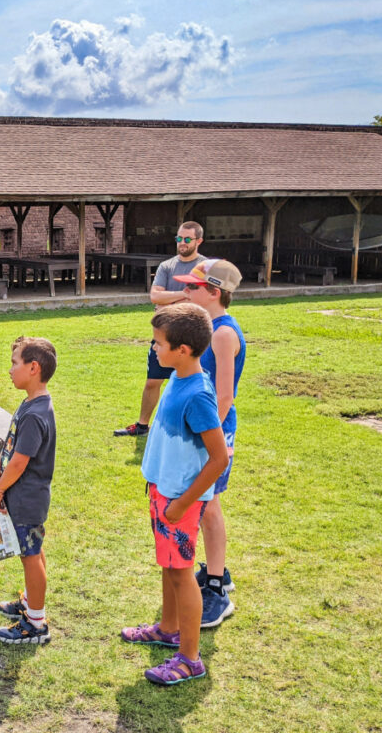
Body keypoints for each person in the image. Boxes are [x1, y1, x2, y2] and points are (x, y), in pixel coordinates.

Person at [120, 303, 228, 685]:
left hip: (179, 501)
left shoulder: (198, 394)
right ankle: (167, 629)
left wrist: (183, 502)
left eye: (159, 343)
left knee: (182, 574)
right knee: (168, 567)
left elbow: (218, 458)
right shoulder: (175, 380)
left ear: (183, 349)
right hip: (162, 493)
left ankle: (190, 658)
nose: (153, 349)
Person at [175, 258, 246, 628]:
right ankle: (217, 571)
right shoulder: (212, 328)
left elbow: (223, 396)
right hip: (207, 428)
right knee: (205, 506)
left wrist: (208, 441)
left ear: (214, 293)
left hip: (215, 429)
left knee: (209, 505)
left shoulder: (221, 334)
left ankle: (216, 588)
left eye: (192, 288)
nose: (185, 292)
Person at [0, 336, 58, 646]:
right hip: (20, 494)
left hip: (26, 497)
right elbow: (9, 445)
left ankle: (36, 623)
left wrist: (0, 488)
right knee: (32, 551)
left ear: (33, 368)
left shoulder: (35, 413)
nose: (10, 370)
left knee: (30, 556)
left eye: (15, 363)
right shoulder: (30, 403)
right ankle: (30, 603)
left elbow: (18, 463)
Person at [114, 221, 206, 437]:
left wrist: (168, 303)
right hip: (164, 337)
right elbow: (155, 296)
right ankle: (143, 425)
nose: (181, 243)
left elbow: (202, 302)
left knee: (190, 383)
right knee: (152, 381)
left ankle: (191, 428)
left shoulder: (204, 268)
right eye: (178, 239)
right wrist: (184, 294)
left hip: (193, 338)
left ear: (198, 241)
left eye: (187, 239)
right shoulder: (167, 266)